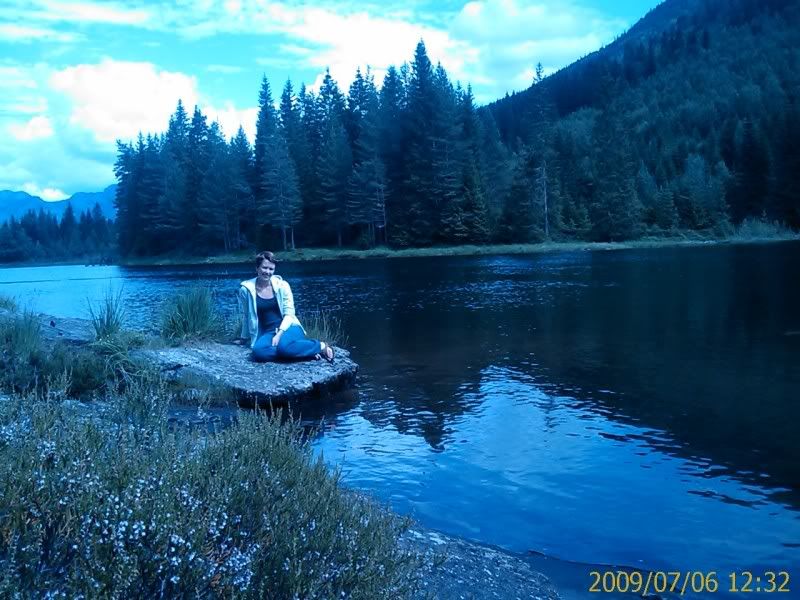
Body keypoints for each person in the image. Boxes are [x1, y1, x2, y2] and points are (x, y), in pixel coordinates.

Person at [236, 251, 335, 363]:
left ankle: (321, 346)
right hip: (269, 332)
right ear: (257, 268)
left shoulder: (283, 286)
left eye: (271, 269)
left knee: (284, 347)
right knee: (258, 352)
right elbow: (247, 315)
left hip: (290, 327)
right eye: (264, 268)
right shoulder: (246, 290)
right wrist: (243, 338)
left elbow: (289, 314)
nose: (267, 272)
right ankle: (303, 353)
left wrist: (279, 334)